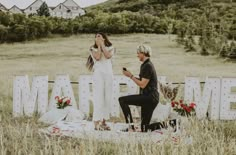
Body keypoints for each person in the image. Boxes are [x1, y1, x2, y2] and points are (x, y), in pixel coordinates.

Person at [119, 44, 159, 132]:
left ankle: (130, 126)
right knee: (145, 128)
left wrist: (130, 76)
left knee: (122, 100)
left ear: (143, 53)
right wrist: (130, 75)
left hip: (149, 97)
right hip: (149, 97)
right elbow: (143, 82)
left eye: (138, 53)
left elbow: (142, 85)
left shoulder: (147, 66)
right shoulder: (145, 65)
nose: (137, 55)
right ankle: (171, 124)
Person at [86, 32, 115, 130]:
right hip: (98, 75)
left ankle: (104, 121)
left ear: (104, 38)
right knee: (98, 98)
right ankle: (96, 122)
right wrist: (98, 46)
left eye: (99, 36)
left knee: (107, 97)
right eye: (96, 37)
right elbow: (98, 57)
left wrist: (102, 45)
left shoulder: (111, 47)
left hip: (108, 74)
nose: (97, 38)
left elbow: (107, 56)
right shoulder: (92, 48)